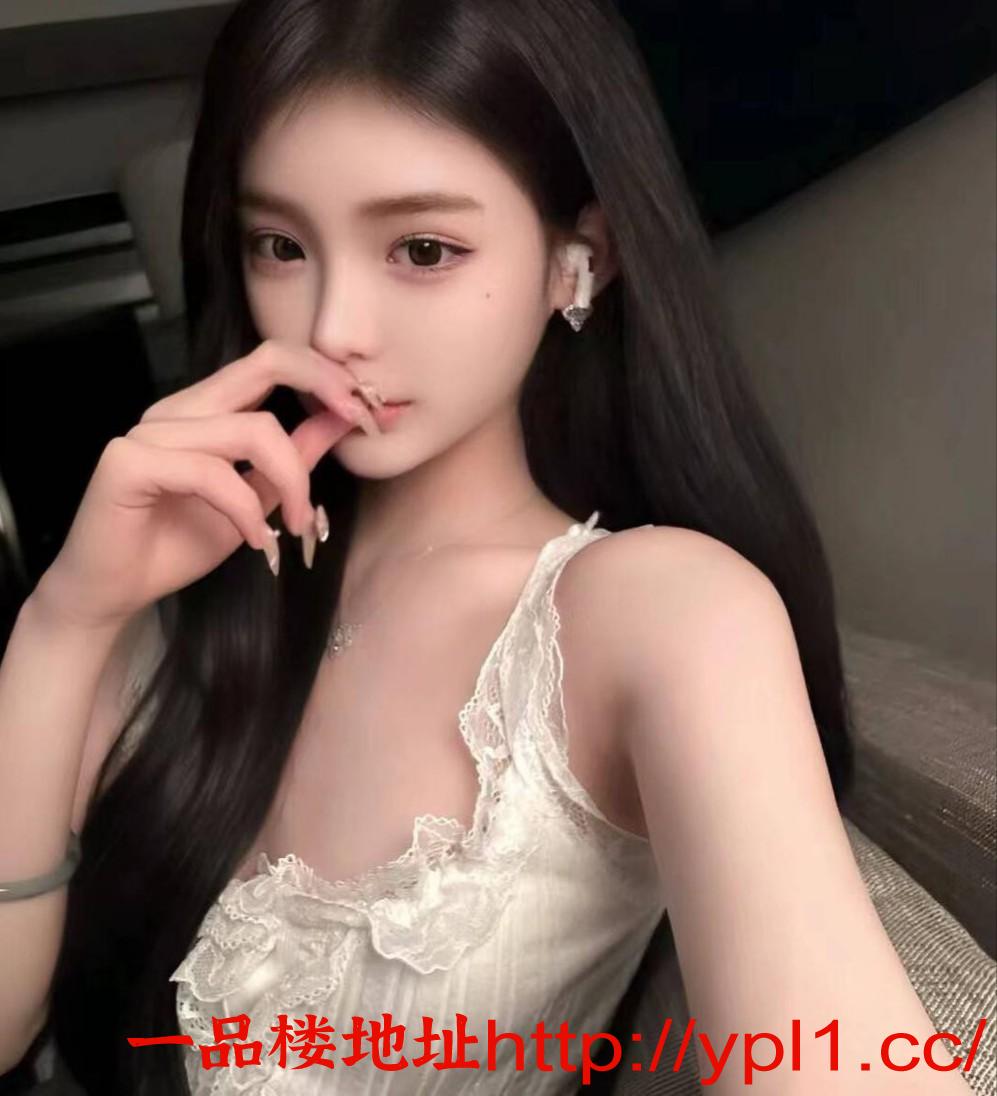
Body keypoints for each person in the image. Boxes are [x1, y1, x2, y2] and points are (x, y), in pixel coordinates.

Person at [0, 0, 970, 1093]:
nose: (332, 328)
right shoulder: (181, 595)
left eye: (422, 249)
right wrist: (64, 620)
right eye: (280, 245)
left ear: (579, 259)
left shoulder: (660, 616)